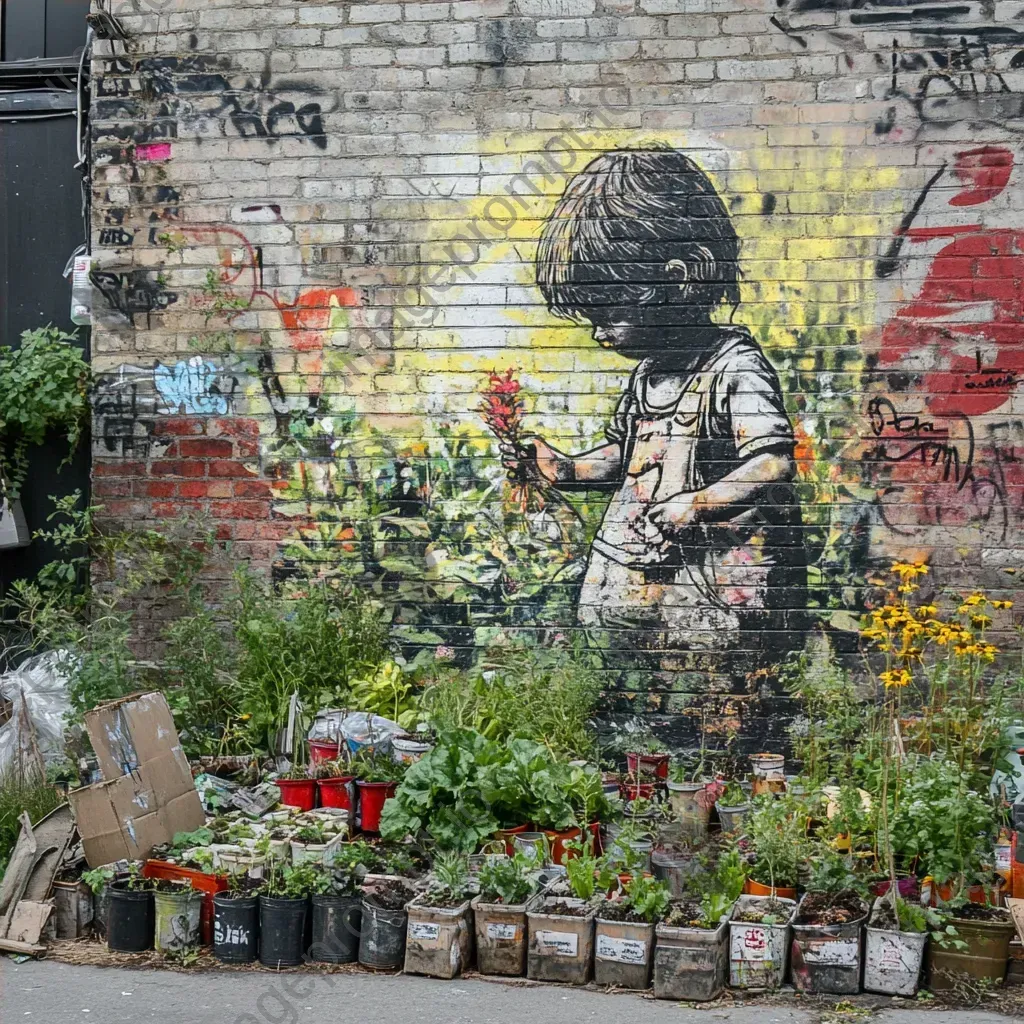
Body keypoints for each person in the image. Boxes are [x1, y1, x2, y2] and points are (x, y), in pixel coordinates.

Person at [503, 147, 806, 679]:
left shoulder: (734, 368)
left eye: (608, 311)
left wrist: (697, 504)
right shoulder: (648, 374)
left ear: (677, 278)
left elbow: (772, 464)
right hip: (643, 600)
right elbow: (629, 459)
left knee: (716, 725)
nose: (599, 333)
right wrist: (567, 469)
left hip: (712, 604)